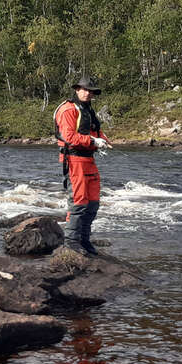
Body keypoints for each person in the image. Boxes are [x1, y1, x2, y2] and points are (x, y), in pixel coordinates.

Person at [54, 75, 110, 255]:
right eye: (85, 90)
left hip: (88, 159)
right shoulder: (68, 110)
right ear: (77, 89)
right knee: (79, 201)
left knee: (93, 202)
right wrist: (93, 141)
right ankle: (71, 241)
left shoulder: (88, 109)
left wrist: (103, 140)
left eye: (91, 91)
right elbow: (69, 137)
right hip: (74, 159)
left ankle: (84, 239)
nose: (87, 94)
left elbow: (96, 130)